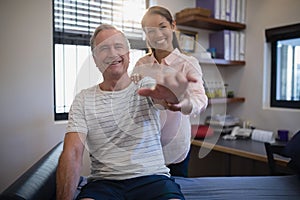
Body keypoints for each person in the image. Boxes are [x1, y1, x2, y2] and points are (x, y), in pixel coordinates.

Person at [56, 24, 193, 200]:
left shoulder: (146, 86)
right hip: (104, 184)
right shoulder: (83, 99)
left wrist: (174, 94)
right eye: (104, 48)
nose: (113, 53)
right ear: (95, 59)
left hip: (153, 180)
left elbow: (168, 99)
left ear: (128, 54)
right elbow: (73, 152)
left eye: (118, 46)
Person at [132, 6, 208, 177]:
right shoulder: (141, 64)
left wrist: (183, 103)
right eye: (150, 31)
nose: (157, 35)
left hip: (175, 150)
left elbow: (200, 99)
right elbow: (131, 102)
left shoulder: (187, 63)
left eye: (162, 27)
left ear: (173, 26)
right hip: (145, 148)